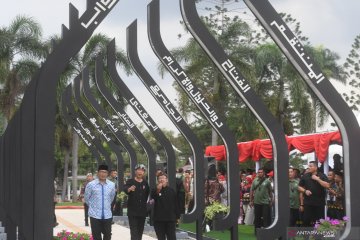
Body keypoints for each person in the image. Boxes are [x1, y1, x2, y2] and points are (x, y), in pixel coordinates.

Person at [85, 165, 116, 240]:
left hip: (107, 215)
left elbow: (111, 198)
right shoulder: (91, 185)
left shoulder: (111, 185)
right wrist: (94, 206)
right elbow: (87, 199)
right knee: (96, 237)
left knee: (108, 235)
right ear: (98, 173)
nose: (103, 174)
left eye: (105, 172)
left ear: (107, 173)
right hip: (95, 215)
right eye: (101, 172)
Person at [298, 161, 330, 227]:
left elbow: (327, 186)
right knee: (306, 220)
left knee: (319, 221)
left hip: (319, 203)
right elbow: (299, 187)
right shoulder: (305, 176)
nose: (309, 167)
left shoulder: (322, 175)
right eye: (308, 166)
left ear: (315, 167)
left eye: (310, 166)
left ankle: (319, 236)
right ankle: (306, 236)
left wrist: (318, 179)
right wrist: (305, 191)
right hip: (308, 203)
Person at [124, 164, 150, 240]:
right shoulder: (130, 181)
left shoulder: (145, 183)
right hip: (132, 212)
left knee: (140, 231)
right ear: (135, 171)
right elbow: (125, 188)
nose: (140, 172)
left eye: (142, 170)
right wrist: (129, 189)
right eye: (138, 170)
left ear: (144, 172)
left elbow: (149, 195)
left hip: (142, 211)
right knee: (134, 232)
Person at [151, 173, 179, 240]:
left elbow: (176, 204)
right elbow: (153, 197)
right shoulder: (154, 190)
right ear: (158, 180)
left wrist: (178, 216)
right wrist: (158, 190)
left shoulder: (172, 191)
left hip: (170, 219)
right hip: (159, 220)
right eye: (160, 178)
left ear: (167, 180)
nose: (161, 179)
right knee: (161, 238)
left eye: (163, 178)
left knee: (172, 237)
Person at [250, 168, 272, 234]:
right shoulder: (255, 181)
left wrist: (271, 200)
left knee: (266, 218)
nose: (260, 173)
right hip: (257, 202)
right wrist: (251, 201)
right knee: (257, 218)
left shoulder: (267, 181)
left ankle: (266, 232)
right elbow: (251, 190)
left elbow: (270, 191)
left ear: (264, 173)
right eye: (259, 172)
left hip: (265, 202)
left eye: (261, 172)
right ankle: (257, 232)